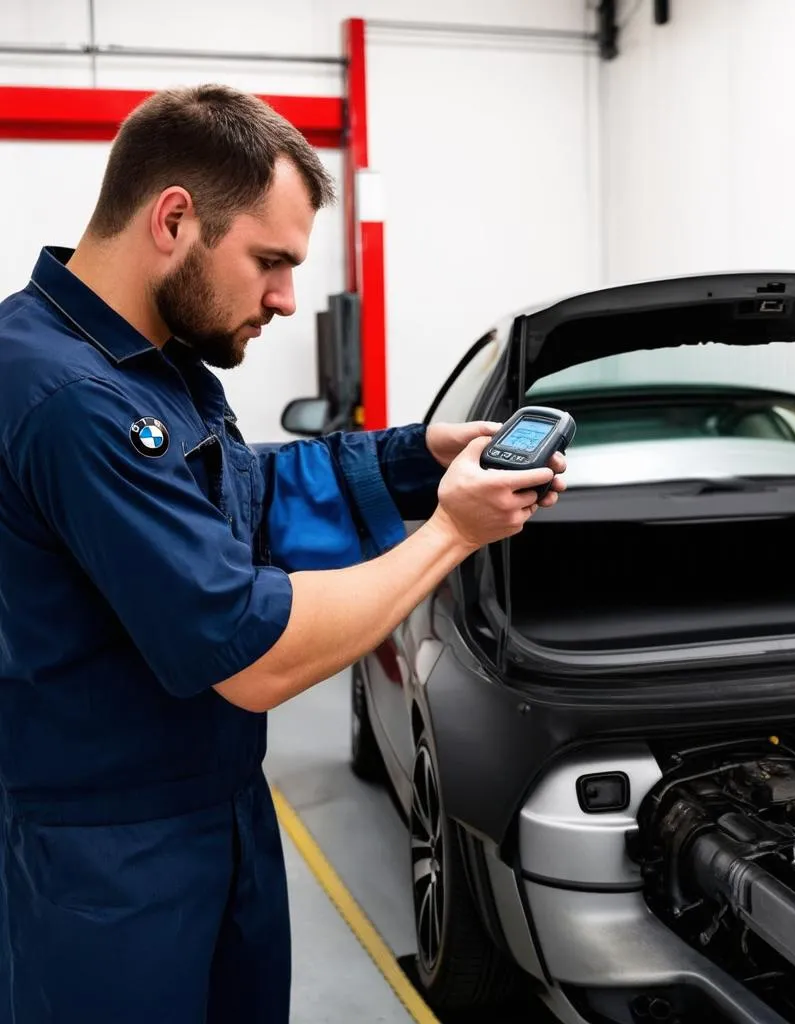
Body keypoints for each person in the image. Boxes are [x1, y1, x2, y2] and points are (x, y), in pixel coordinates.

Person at [0, 84, 566, 1024]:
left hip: (216, 811)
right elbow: (249, 653)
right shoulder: (66, 396)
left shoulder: (160, 364)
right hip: (108, 865)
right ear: (174, 219)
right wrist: (453, 532)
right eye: (270, 261)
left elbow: (247, 496)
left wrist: (413, 459)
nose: (285, 298)